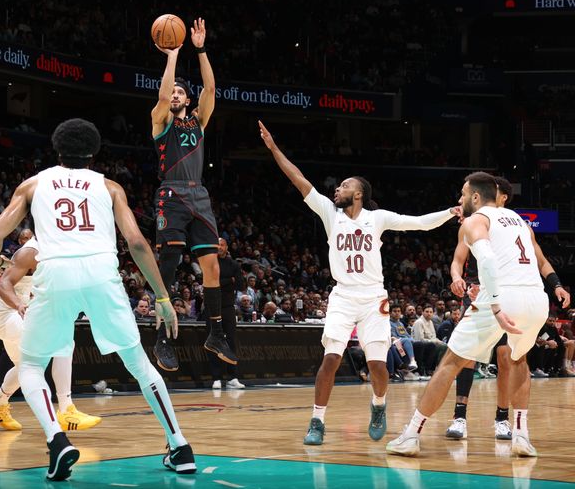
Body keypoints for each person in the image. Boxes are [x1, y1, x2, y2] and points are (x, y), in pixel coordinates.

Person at [0, 118, 194, 481]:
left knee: (32, 366)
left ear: (57, 149)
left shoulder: (33, 184)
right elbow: (138, 243)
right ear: (94, 153)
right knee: (140, 365)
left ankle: (57, 441)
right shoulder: (109, 187)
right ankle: (180, 446)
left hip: (55, 272)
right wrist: (162, 295)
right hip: (101, 272)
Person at [259, 121, 458, 446]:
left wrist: (450, 212)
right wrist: (273, 148)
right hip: (342, 296)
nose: (336, 189)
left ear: (359, 193)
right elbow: (298, 180)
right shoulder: (329, 212)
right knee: (331, 359)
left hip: (373, 299)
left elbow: (420, 224)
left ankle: (378, 406)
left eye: (343, 185)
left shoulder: (376, 219)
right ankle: (317, 421)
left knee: (377, 364)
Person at [387, 172, 549, 458]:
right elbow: (536, 260)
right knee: (519, 359)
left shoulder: (477, 220)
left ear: (476, 197)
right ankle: (521, 436)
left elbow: (486, 259)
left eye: (463, 194)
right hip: (536, 297)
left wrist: (497, 305)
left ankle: (411, 435)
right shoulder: (519, 221)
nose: (460, 199)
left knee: (450, 362)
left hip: (502, 296)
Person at [444, 176, 570, 441]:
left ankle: (502, 418)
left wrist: (556, 284)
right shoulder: (477, 221)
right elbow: (458, 259)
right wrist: (457, 278)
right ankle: (459, 416)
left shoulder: (518, 225)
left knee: (506, 357)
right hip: (479, 292)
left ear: (503, 197)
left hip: (509, 295)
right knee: (467, 356)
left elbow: (540, 260)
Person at [149, 18, 235, 372]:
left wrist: (200, 49)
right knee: (168, 263)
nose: (175, 96)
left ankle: (215, 333)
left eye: (181, 93)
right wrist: (172, 56)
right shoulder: (161, 121)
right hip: (171, 194)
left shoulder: (198, 121)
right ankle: (162, 339)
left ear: (188, 99)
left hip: (199, 196)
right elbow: (161, 94)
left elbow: (211, 89)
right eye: (174, 93)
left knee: (211, 264)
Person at [0, 234, 101, 433]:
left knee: (25, 367)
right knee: (63, 342)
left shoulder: (57, 249)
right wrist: (19, 304)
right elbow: (2, 286)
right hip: (6, 314)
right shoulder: (31, 252)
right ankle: (66, 408)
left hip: (18, 315)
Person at [211, 238, 245, 389]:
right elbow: (212, 281)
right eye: (217, 244)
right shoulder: (210, 262)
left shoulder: (234, 264)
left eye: (222, 245)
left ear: (226, 247)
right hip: (212, 307)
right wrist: (228, 280)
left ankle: (232, 377)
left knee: (231, 341)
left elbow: (240, 284)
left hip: (228, 307)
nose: (219, 247)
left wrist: (224, 281)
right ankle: (216, 378)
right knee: (214, 341)